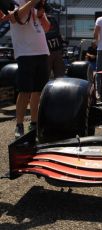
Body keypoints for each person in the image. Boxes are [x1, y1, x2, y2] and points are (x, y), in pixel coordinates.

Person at [5, 0, 50, 138]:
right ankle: (19, 124)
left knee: (38, 91)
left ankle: (34, 123)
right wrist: (31, 3)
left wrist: (41, 15)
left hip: (42, 51)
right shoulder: (13, 2)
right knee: (25, 90)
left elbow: (47, 27)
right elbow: (13, 18)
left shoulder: (37, 3)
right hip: (25, 52)